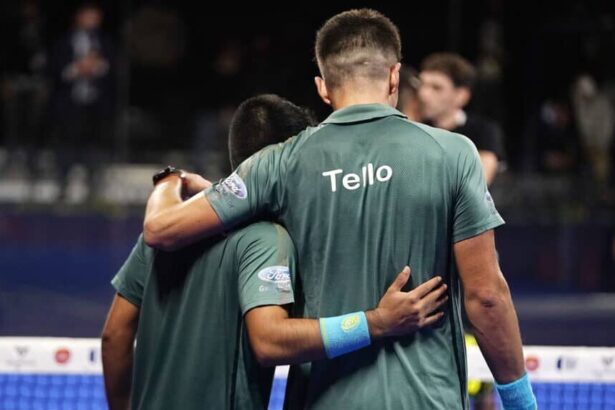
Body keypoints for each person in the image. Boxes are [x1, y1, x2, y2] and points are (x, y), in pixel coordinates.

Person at [142, 9, 536, 410]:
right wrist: (521, 403)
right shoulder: (454, 153)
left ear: (322, 88)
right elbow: (486, 297)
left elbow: (159, 229)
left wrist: (171, 178)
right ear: (395, 77)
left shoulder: (276, 165)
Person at [102, 94, 447, 410]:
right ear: (284, 161)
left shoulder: (159, 241)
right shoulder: (267, 240)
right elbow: (269, 342)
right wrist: (376, 323)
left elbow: (114, 335)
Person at [419, 52, 505, 186]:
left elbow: (477, 184)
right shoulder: (413, 126)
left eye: (436, 88)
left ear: (461, 96)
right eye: (421, 84)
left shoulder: (483, 131)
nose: (423, 94)